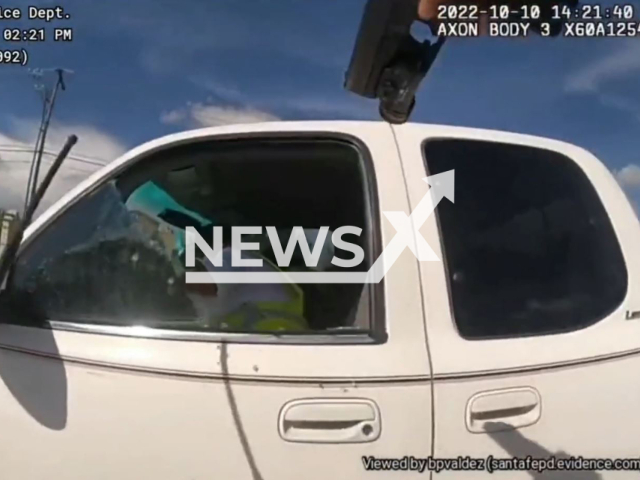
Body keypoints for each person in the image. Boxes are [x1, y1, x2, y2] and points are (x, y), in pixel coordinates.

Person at [125, 180, 309, 333]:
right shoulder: (240, 261)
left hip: (271, 346)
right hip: (268, 343)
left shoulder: (232, 258)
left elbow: (193, 288)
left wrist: (162, 264)